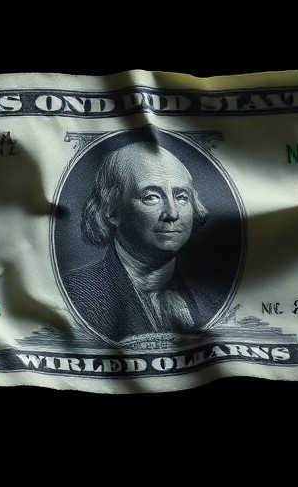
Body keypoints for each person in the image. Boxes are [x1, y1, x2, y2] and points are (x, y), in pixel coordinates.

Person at [63, 141, 212, 342]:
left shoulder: (211, 295)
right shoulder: (75, 294)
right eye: (151, 197)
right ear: (113, 210)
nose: (172, 213)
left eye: (181, 197)